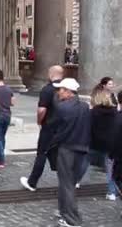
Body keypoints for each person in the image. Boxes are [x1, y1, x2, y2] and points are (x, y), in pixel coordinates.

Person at [49, 78, 90, 227]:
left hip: (67, 148)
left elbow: (54, 126)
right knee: (69, 182)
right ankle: (63, 210)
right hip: (82, 148)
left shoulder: (63, 108)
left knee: (67, 184)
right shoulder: (85, 106)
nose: (58, 92)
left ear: (68, 91)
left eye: (60, 90)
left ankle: (72, 219)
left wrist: (52, 142)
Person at [21, 65, 64, 192]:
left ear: (50, 75)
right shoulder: (68, 89)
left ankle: (32, 182)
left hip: (49, 127)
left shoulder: (47, 89)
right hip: (63, 128)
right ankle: (70, 179)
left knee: (42, 154)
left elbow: (42, 110)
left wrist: (39, 121)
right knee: (59, 155)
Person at [89, 84, 118, 201]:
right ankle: (112, 192)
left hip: (94, 142)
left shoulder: (93, 112)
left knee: (82, 163)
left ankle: (75, 182)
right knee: (111, 169)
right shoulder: (115, 113)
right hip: (110, 144)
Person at [0, 70, 15, 168]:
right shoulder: (9, 89)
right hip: (7, 115)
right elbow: (13, 103)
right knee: (2, 137)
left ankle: (1, 161)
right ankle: (0, 156)